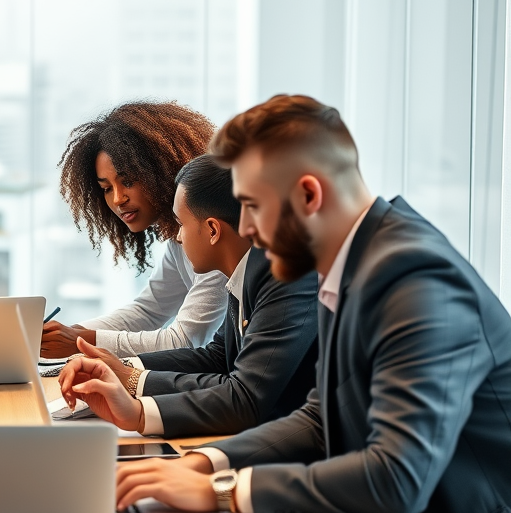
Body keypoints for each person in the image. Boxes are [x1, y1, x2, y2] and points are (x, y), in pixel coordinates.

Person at [117, 95, 511, 513]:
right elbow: (321, 417)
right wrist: (205, 463)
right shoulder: (356, 266)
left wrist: (225, 494)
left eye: (250, 206)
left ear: (306, 195)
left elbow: (397, 477)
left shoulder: (417, 283)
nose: (242, 228)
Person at [58, 154, 318, 439]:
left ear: (212, 230)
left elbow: (245, 397)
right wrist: (124, 369)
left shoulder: (287, 276)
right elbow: (218, 357)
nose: (178, 237)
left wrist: (135, 395)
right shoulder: (249, 269)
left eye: (181, 224)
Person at [41, 101, 228, 359]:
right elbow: (148, 312)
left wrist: (80, 340)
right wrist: (69, 333)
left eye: (127, 182)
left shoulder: (214, 235)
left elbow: (186, 339)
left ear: (161, 171)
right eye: (106, 188)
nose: (117, 199)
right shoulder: (178, 239)